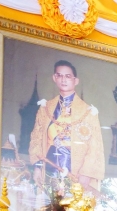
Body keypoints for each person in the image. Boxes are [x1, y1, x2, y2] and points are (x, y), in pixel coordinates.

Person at [29, 60, 105, 193]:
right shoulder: (45, 109)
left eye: (68, 76)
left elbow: (95, 146)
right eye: (59, 75)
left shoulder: (88, 112)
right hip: (49, 166)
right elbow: (37, 139)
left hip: (76, 171)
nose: (63, 80)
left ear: (76, 81)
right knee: (50, 204)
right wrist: (38, 167)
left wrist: (86, 173)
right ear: (54, 78)